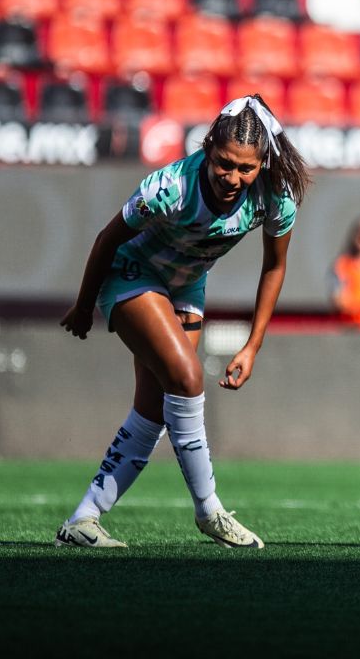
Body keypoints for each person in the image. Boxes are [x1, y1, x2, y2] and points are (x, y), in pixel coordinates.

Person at [55, 94, 311, 549]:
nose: (233, 178)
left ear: (263, 164)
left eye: (245, 169)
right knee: (188, 377)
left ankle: (83, 519)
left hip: (187, 288)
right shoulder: (170, 188)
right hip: (132, 274)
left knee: (153, 409)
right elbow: (107, 239)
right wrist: (84, 304)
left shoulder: (276, 195)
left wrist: (253, 346)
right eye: (224, 164)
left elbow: (274, 267)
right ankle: (209, 509)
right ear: (208, 149)